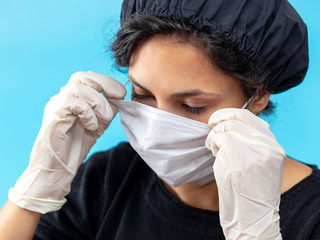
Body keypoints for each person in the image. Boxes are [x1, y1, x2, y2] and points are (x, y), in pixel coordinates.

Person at [0, 0, 319, 239]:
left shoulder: (311, 212)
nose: (157, 129)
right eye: (142, 95)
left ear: (259, 95)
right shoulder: (111, 177)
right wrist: (33, 191)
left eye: (192, 105)